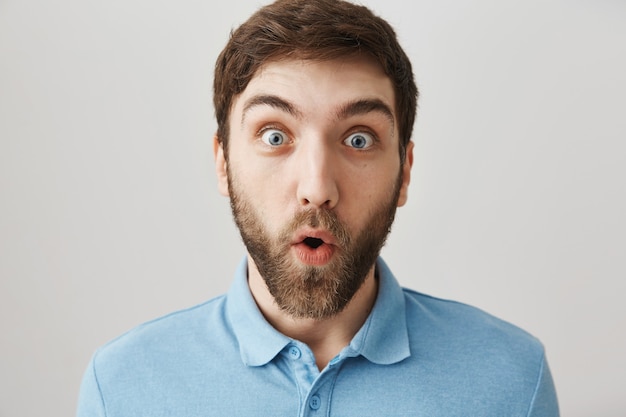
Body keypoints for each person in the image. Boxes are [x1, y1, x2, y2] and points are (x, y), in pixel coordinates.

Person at [76, 0, 559, 415]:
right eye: (274, 135)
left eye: (358, 138)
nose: (317, 187)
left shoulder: (511, 380)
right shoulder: (120, 388)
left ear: (404, 170)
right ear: (223, 163)